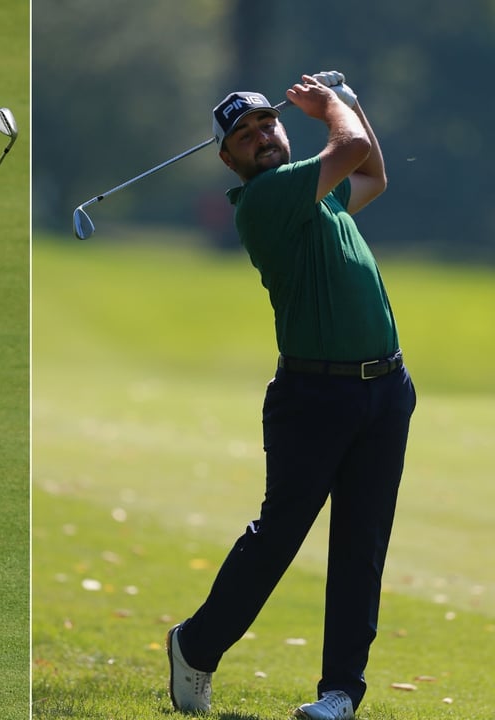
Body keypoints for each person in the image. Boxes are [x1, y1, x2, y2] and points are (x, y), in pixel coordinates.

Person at [165, 73, 416, 720]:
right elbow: (353, 149)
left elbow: (374, 175)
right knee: (279, 537)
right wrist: (333, 107)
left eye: (266, 126)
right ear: (230, 159)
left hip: (385, 389)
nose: (261, 139)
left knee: (362, 544)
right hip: (313, 395)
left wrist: (352, 102)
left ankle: (339, 692)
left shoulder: (318, 191)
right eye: (243, 137)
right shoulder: (267, 199)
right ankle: (195, 645)